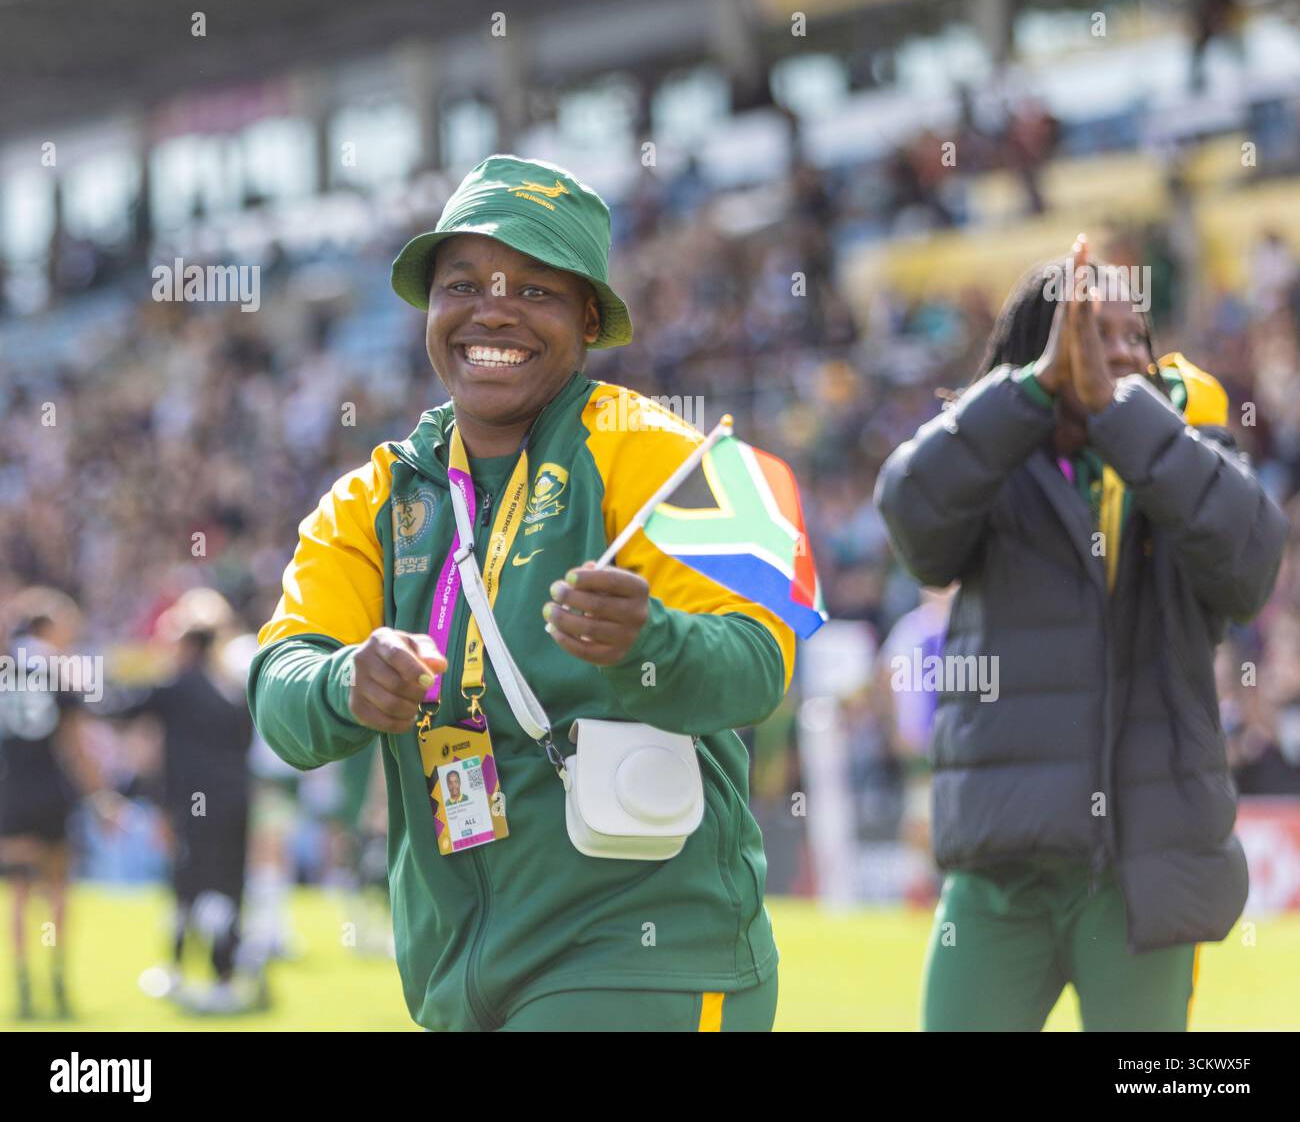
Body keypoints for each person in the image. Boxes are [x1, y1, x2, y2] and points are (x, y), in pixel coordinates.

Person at [248, 154, 796, 1032]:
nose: (492, 309)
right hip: (454, 976)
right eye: (461, 283)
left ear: (588, 319)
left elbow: (758, 668)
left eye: (535, 290)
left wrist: (653, 644)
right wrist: (343, 683)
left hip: (642, 957)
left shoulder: (662, 458)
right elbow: (280, 684)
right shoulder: (375, 500)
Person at [875, 237, 1288, 1031]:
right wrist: (1026, 397)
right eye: (1097, 335)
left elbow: (1251, 563)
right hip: (1001, 873)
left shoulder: (1191, 460)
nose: (1126, 354)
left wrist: (1121, 414)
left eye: (1139, 337)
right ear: (1044, 351)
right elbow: (910, 511)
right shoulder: (989, 466)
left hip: (1143, 874)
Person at [105, 589, 258, 1014]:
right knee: (226, 888)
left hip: (195, 805)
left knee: (190, 888)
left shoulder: (176, 686)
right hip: (235, 801)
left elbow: (117, 710)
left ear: (187, 643)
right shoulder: (233, 691)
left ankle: (183, 971)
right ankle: (225, 978)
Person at [0, 588, 104, 1020]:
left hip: (11, 792)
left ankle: (24, 989)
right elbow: (74, 747)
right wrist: (101, 797)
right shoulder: (62, 671)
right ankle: (58, 985)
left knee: (20, 893)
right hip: (51, 792)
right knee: (58, 889)